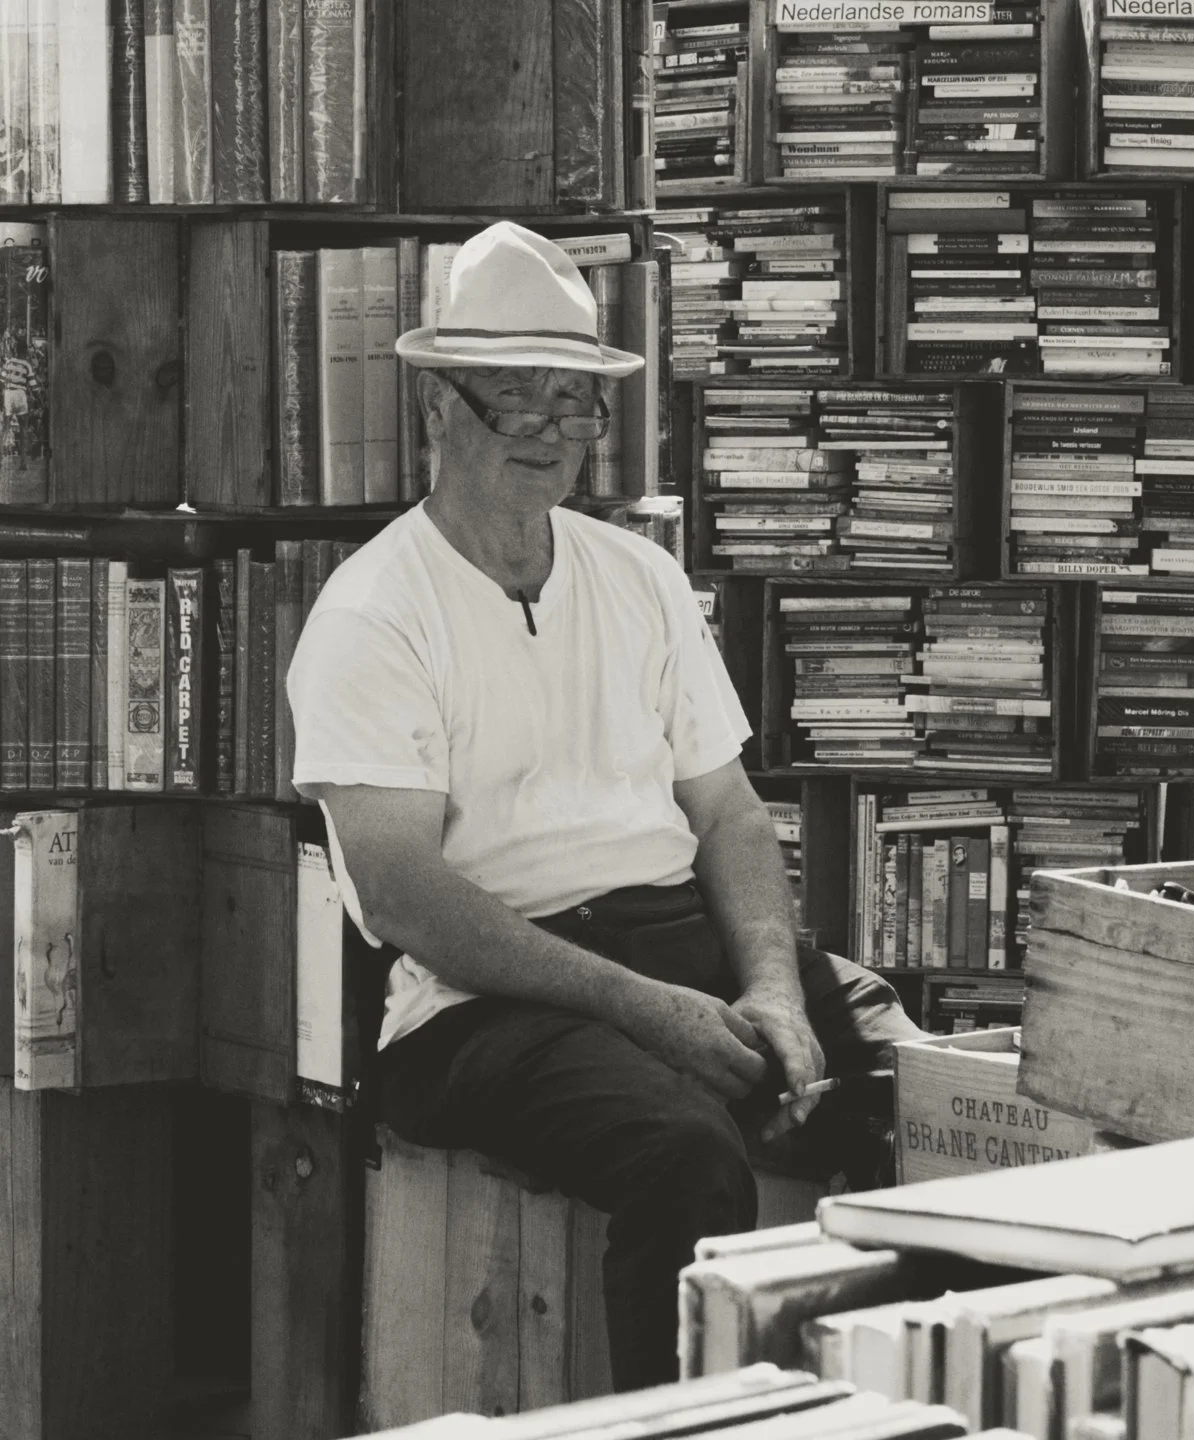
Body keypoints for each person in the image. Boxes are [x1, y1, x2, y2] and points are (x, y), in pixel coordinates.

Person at [286, 221, 924, 1389]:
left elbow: (728, 811)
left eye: (574, 404)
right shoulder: (373, 611)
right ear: (437, 406)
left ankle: (904, 1405)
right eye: (513, 403)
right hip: (479, 1001)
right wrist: (650, 1013)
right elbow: (404, 895)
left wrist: (772, 989)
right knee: (684, 1153)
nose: (550, 437)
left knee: (930, 1087)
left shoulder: (637, 575)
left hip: (667, 940)